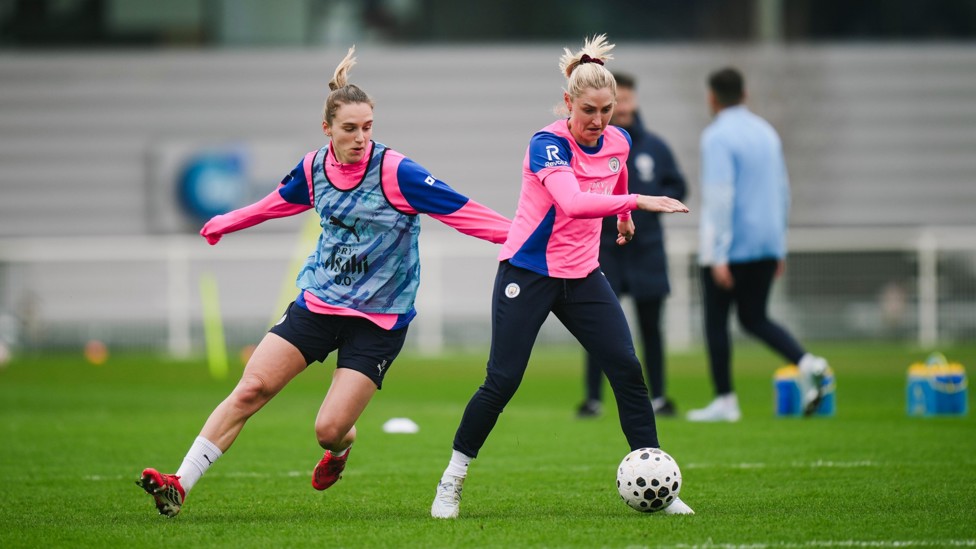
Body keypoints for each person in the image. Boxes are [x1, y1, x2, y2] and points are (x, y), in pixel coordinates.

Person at [135, 46, 512, 517]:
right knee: (251, 388)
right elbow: (275, 202)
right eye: (349, 128)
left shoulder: (397, 172)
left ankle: (340, 450)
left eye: (367, 127)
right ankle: (180, 484)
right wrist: (226, 222)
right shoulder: (315, 168)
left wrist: (526, 238)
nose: (360, 137)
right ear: (328, 128)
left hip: (378, 321)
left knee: (329, 430)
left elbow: (464, 212)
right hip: (319, 303)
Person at [430, 35, 694, 519]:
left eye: (607, 110)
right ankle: (452, 479)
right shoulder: (546, 145)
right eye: (588, 110)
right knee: (503, 380)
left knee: (628, 371)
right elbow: (572, 202)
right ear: (569, 102)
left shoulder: (619, 139)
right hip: (528, 272)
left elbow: (614, 173)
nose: (598, 121)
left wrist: (622, 217)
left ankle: (660, 481)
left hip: (582, 274)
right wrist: (638, 203)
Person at [687, 67, 828, 423]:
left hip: (732, 246)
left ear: (712, 98)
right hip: (766, 242)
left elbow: (721, 196)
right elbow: (782, 190)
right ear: (745, 94)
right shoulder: (767, 133)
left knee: (716, 323)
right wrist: (779, 245)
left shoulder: (716, 137)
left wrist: (717, 254)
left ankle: (725, 400)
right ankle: (807, 362)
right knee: (754, 317)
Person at [576, 71, 687, 419]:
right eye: (615, 100)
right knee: (599, 326)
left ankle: (659, 396)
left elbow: (678, 186)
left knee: (652, 327)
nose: (620, 107)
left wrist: (652, 211)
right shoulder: (591, 144)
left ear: (632, 100)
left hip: (647, 249)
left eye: (624, 100)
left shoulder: (654, 147)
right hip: (605, 248)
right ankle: (593, 398)